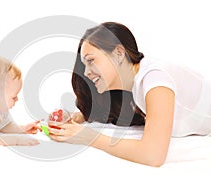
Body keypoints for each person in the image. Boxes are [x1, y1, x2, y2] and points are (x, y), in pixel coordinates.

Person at [48, 22, 211, 167]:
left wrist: (88, 137)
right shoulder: (135, 84)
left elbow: (152, 155)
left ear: (119, 54)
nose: (86, 72)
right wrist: (79, 117)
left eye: (90, 60)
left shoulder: (155, 79)